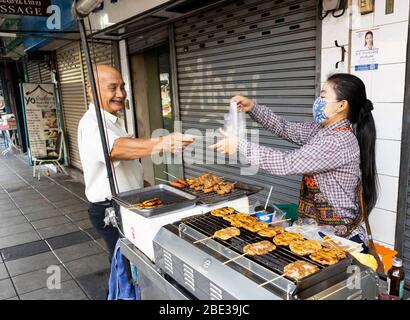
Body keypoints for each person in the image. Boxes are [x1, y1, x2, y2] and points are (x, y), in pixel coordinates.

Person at [211, 73, 378, 252]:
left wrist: (240, 144)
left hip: (341, 240)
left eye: (323, 96)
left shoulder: (338, 141)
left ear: (341, 105)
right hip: (320, 232)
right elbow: (285, 128)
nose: (318, 101)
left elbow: (286, 163)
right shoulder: (323, 130)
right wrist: (252, 107)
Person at [78, 64, 193, 261]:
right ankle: (123, 293)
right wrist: (162, 142)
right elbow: (115, 149)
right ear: (91, 90)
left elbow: (123, 163)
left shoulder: (111, 121)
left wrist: (143, 186)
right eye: (113, 88)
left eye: (122, 87)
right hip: (110, 210)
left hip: (129, 204)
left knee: (132, 264)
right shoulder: (92, 123)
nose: (121, 94)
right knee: (126, 269)